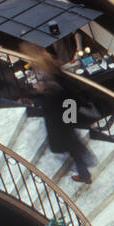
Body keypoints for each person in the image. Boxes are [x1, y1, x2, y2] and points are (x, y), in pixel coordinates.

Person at [32, 49, 96, 185]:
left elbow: (50, 104)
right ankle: (84, 174)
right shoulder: (59, 77)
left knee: (74, 147)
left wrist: (39, 93)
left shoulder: (52, 86)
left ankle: (84, 174)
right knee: (74, 147)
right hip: (67, 117)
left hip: (61, 121)